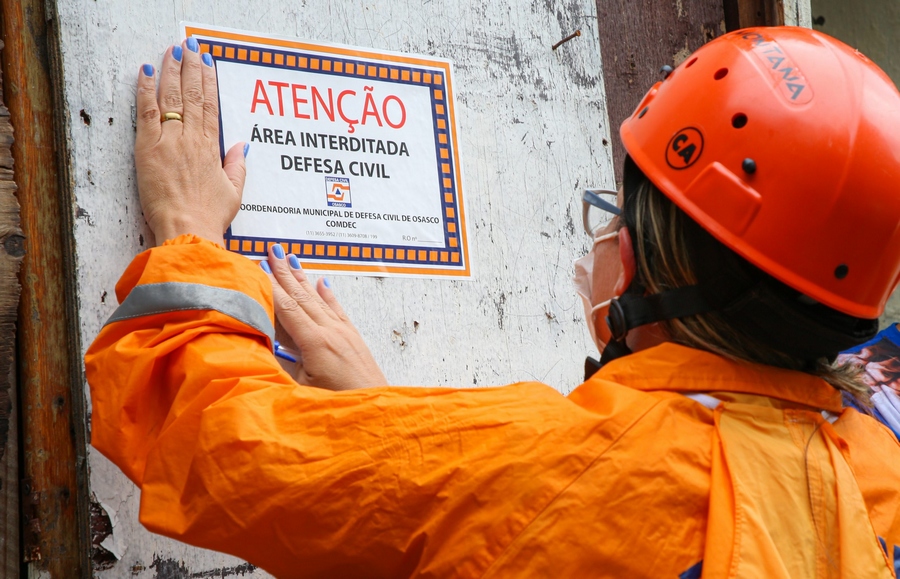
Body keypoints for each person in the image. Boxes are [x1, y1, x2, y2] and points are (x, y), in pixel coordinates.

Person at [86, 28, 900, 578]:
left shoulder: (542, 468)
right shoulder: (878, 469)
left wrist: (190, 231)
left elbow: (213, 445)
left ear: (651, 259)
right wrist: (384, 416)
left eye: (616, 214)